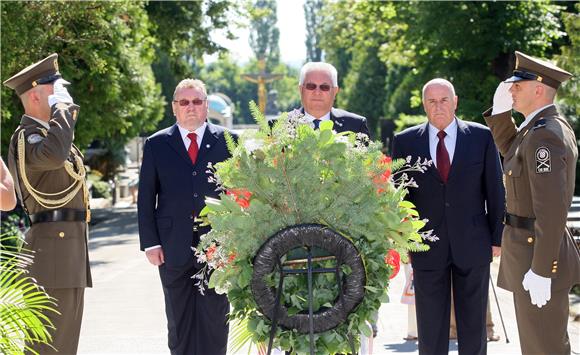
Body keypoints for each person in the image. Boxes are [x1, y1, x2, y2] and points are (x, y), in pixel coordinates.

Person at [392, 78, 504, 354]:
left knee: (474, 327)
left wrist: (497, 238)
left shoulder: (481, 137)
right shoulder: (405, 142)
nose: (438, 106)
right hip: (426, 247)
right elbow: (399, 199)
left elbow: (495, 190)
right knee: (430, 330)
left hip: (473, 244)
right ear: (424, 105)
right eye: (432, 101)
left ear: (455, 102)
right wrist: (404, 241)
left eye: (444, 100)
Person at [483, 51, 580, 354]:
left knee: (544, 347)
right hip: (529, 251)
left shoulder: (544, 136)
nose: (510, 90)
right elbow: (513, 153)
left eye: (517, 86)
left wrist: (542, 269)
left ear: (538, 89)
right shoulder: (536, 129)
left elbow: (550, 212)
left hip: (536, 255)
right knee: (539, 344)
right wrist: (500, 116)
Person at [138, 79, 235, 355]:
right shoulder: (157, 144)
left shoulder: (228, 141)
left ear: (205, 105)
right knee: (178, 321)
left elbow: (240, 193)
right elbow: (146, 197)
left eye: (196, 102)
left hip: (218, 247)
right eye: (184, 102)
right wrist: (150, 243)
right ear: (174, 108)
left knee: (215, 319)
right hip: (172, 246)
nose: (190, 108)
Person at [3, 53, 92, 354]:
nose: (63, 98)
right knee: (47, 347)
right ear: (37, 95)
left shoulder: (46, 136)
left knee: (64, 344)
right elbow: (55, 155)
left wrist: (62, 112)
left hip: (66, 250)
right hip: (52, 252)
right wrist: (63, 110)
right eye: (56, 91)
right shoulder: (27, 138)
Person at [297, 62, 370, 136]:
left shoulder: (356, 126)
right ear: (300, 89)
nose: (317, 92)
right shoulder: (285, 125)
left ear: (335, 91)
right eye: (311, 86)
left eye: (324, 87)